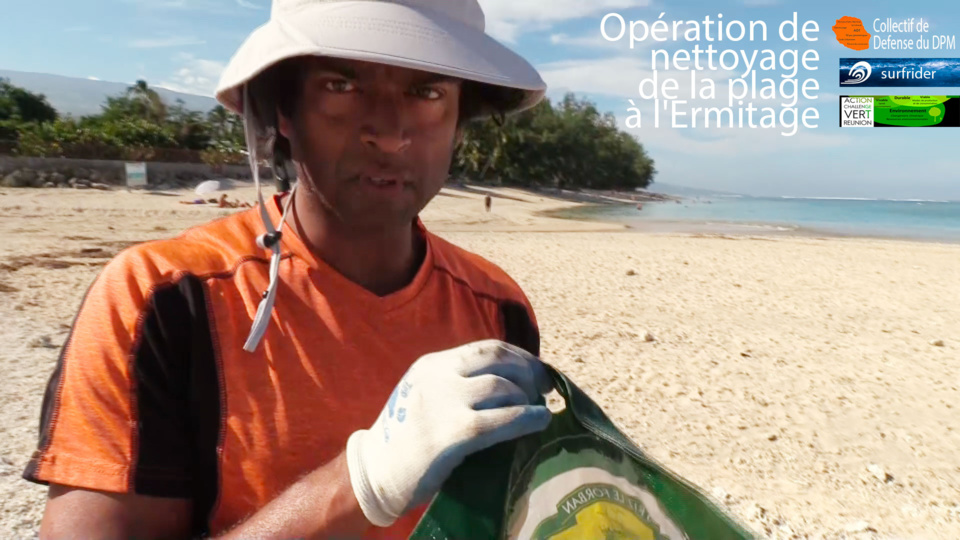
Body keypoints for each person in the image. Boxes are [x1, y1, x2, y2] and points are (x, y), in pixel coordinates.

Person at [23, 0, 554, 538]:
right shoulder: (163, 299)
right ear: (283, 109)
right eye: (341, 86)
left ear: (459, 123)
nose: (390, 134)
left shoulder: (497, 307)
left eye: (428, 92)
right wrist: (363, 481)